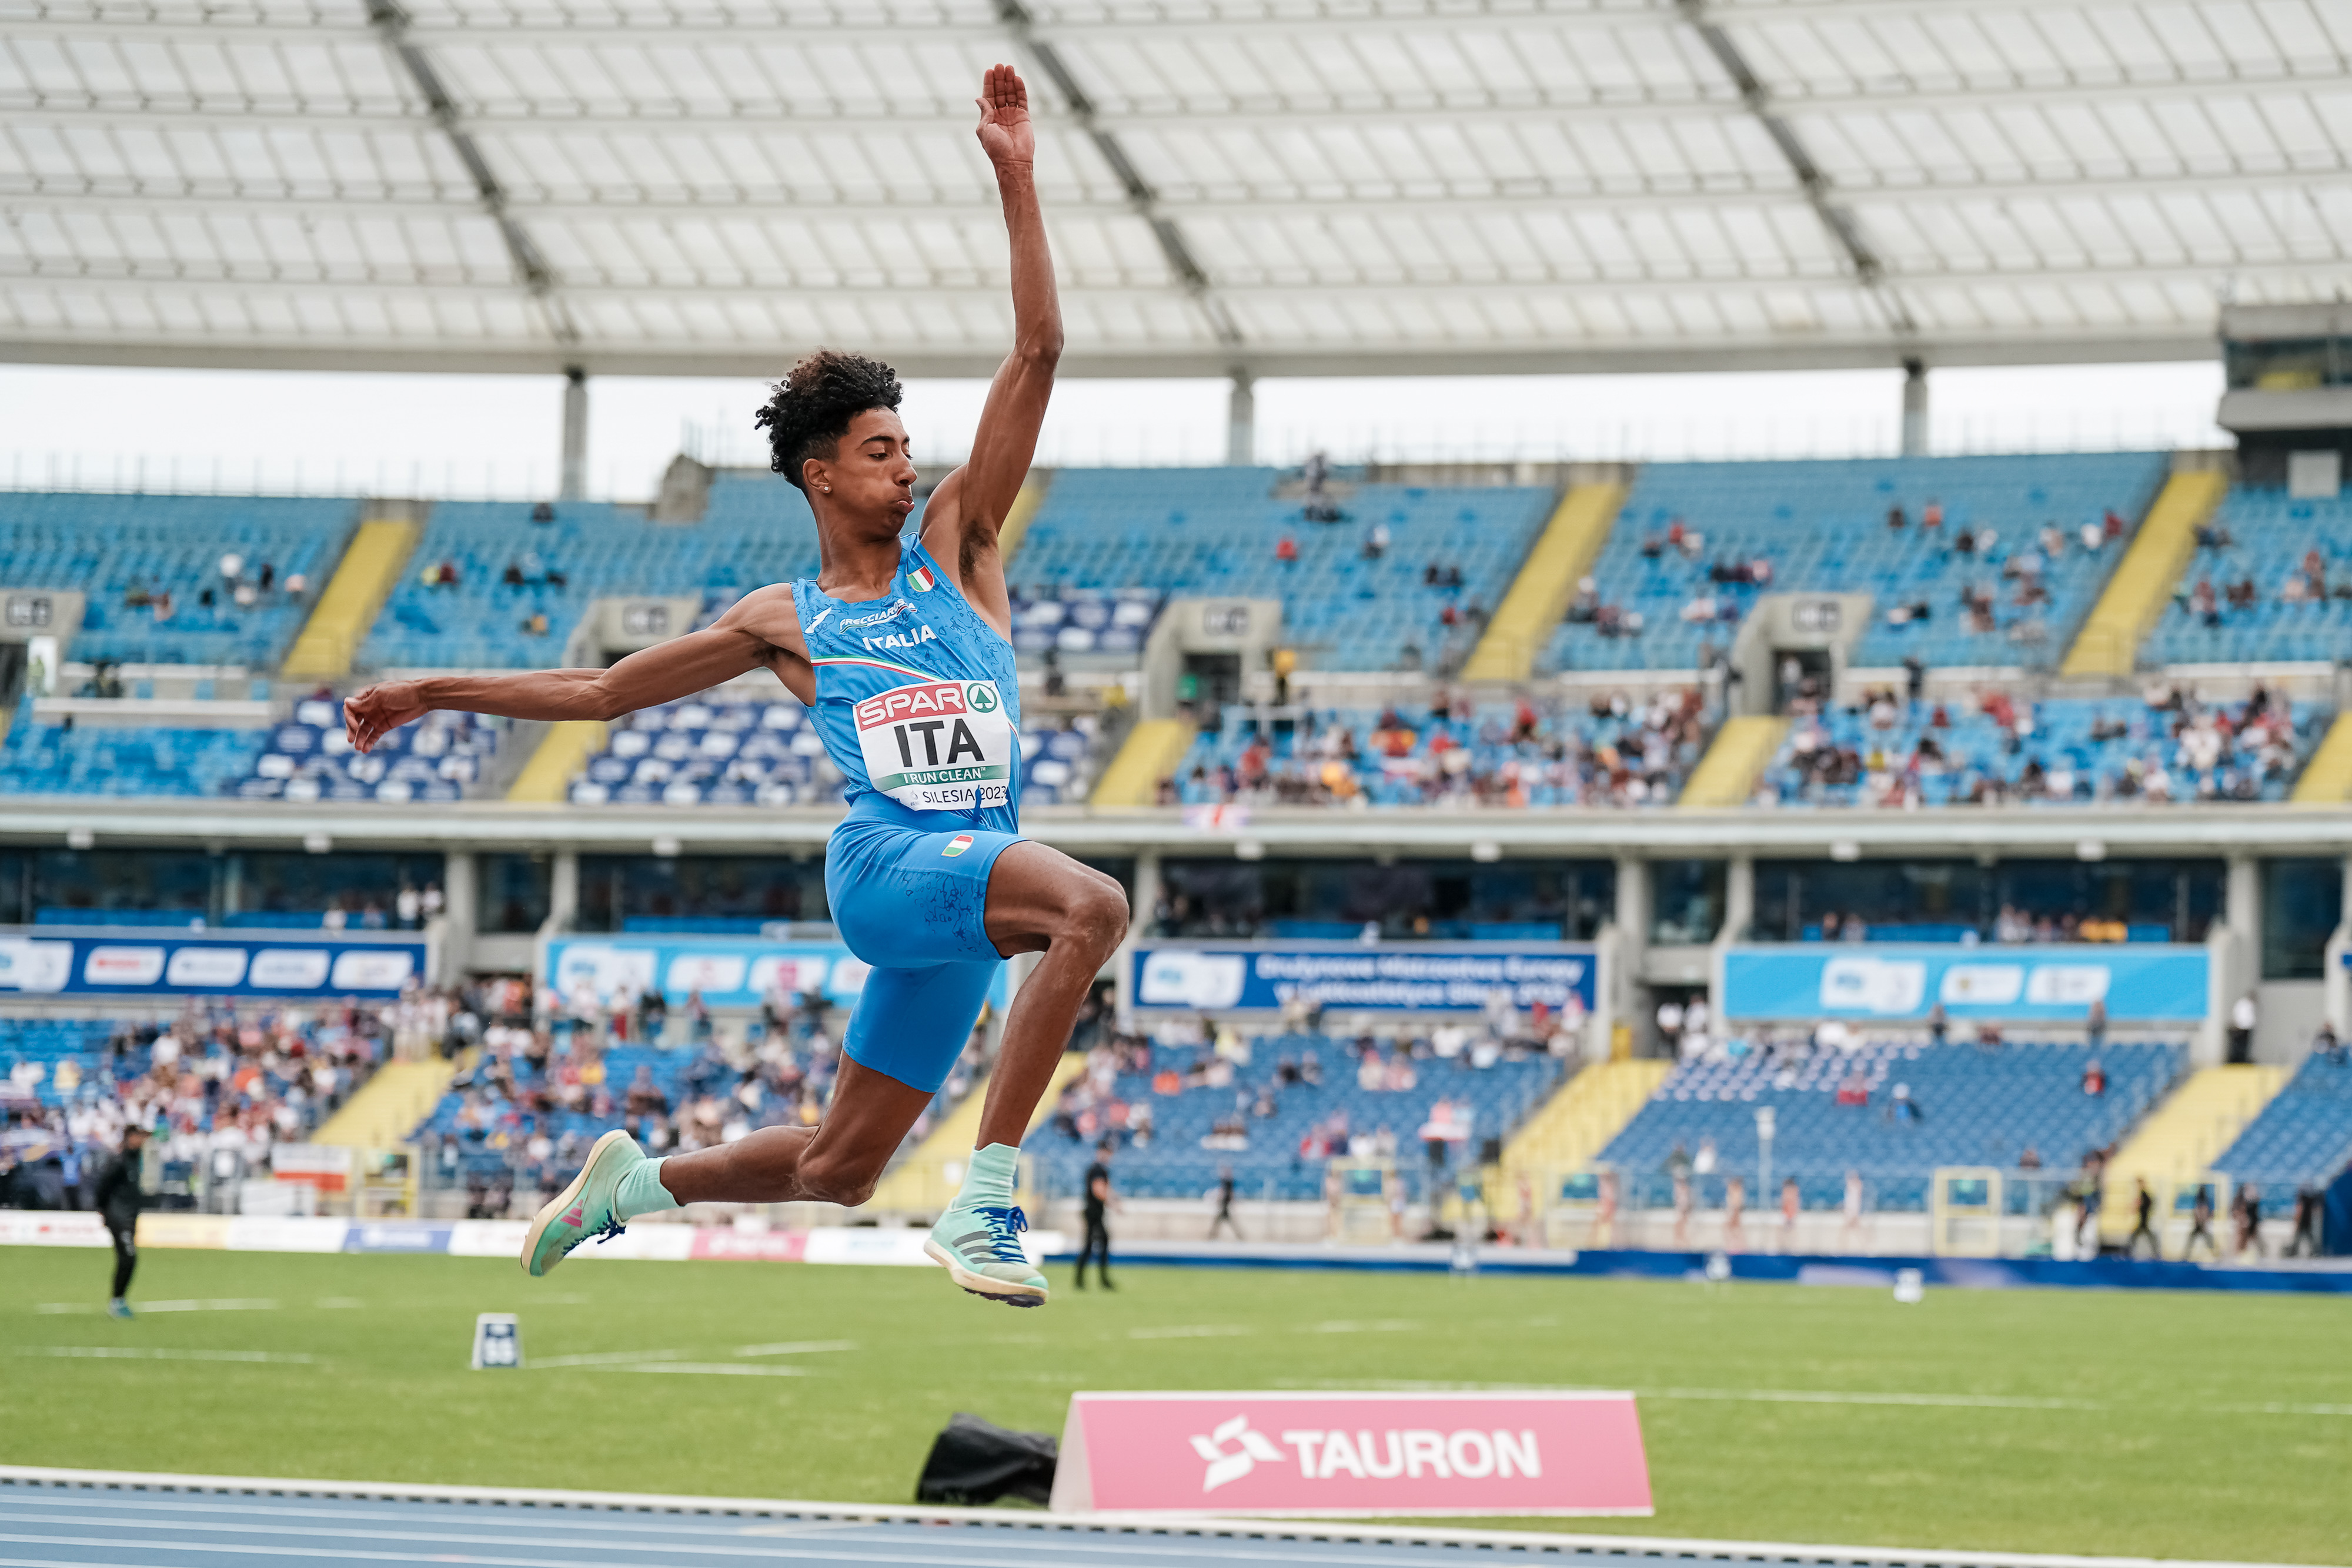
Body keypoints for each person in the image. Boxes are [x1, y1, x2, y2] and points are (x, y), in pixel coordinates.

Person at [340, 66, 1124, 1311]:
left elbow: (1038, 350)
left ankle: (630, 1186)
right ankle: (986, 1200)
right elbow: (601, 691)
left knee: (839, 1167)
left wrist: (1017, 176)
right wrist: (434, 688)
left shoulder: (963, 546)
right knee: (1091, 905)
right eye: (880, 451)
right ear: (822, 477)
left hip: (964, 884)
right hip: (890, 867)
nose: (908, 467)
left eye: (908, 448)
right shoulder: (785, 618)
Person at [93, 1124, 148, 1318]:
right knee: (128, 1257)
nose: (143, 1141)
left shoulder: (135, 1159)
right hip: (119, 1216)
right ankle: (117, 1301)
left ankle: (119, 1300)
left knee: (126, 1258)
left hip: (129, 1216)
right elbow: (103, 1187)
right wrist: (104, 1211)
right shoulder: (119, 1161)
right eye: (139, 1136)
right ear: (130, 1137)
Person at [1075, 1139, 1115, 1289]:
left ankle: (1084, 1280)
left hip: (1094, 1212)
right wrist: (1112, 1203)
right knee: (1093, 1244)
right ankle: (1100, 1280)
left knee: (1092, 1245)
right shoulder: (1098, 1170)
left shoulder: (1097, 1169)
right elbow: (1098, 1190)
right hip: (1094, 1213)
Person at [2124, 1175, 2161, 1261]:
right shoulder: (2144, 1194)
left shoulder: (2144, 1194)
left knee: (2138, 1236)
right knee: (2142, 1235)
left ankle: (2128, 1251)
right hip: (2143, 1219)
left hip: (2144, 1219)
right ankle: (2155, 1251)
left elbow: (2140, 1204)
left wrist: (2135, 1209)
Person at [2182, 1182, 2219, 1261]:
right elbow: (2199, 1212)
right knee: (2196, 1239)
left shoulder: (2203, 1201)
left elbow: (2203, 1212)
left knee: (2208, 1241)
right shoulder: (2200, 1200)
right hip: (2200, 1225)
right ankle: (2186, 1256)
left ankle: (2216, 1255)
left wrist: (2203, 1221)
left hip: (2202, 1225)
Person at [1208, 1163, 1243, 1241]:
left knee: (1219, 1221)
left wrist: (1232, 1202)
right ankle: (1212, 1236)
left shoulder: (1229, 1182)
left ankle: (1212, 1236)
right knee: (1222, 1222)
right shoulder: (1225, 1181)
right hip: (1224, 1204)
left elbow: (1228, 1192)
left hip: (1225, 1204)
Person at [2228, 992, 2257, 1064]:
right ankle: (2237, 1060)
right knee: (2240, 1045)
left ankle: (2243, 1059)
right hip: (2242, 1027)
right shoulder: (2243, 1004)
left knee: (2244, 1045)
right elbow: (2239, 1014)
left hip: (2247, 1027)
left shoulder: (2250, 1005)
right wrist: (2238, 1024)